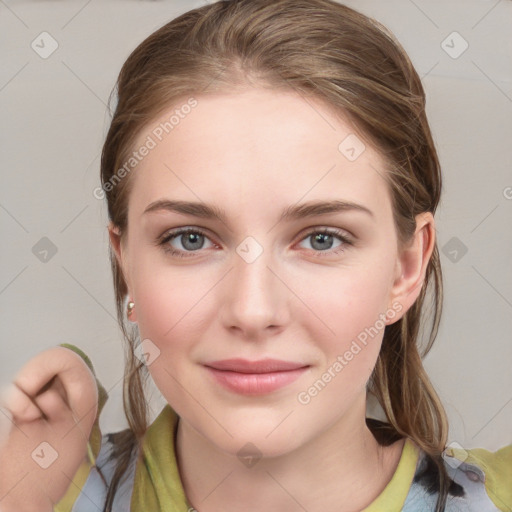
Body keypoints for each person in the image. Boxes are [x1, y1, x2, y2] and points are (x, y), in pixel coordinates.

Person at [0, 0, 510, 511]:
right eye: (190, 239)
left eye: (322, 239)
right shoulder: (36, 487)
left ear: (405, 269)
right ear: (125, 263)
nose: (252, 311)